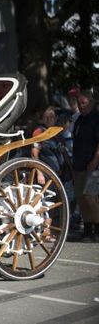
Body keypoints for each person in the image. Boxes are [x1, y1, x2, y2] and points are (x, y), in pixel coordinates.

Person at [72, 88, 99, 242]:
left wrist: (95, 161)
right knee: (81, 198)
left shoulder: (96, 118)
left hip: (93, 166)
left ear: (91, 102)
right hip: (78, 164)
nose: (80, 105)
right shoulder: (80, 119)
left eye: (83, 102)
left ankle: (97, 229)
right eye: (78, 103)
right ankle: (87, 230)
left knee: (91, 197)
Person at [31, 106, 72, 185]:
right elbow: (34, 153)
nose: (48, 119)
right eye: (46, 117)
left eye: (51, 117)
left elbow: (65, 154)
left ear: (56, 118)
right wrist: (39, 173)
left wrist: (72, 172)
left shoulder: (57, 134)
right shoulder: (39, 132)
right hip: (46, 176)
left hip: (60, 176)